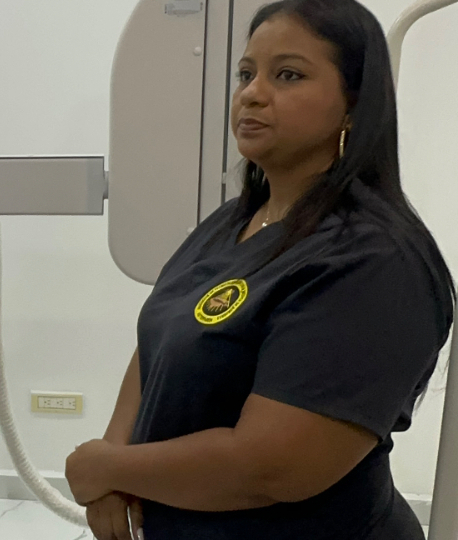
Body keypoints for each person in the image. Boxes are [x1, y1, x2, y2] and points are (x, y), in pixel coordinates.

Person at [65, 1, 455, 539]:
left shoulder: (372, 261)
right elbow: (162, 338)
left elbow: (274, 464)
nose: (252, 93)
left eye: (288, 75)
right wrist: (113, 458)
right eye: (246, 74)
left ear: (353, 105)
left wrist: (109, 468)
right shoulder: (234, 220)